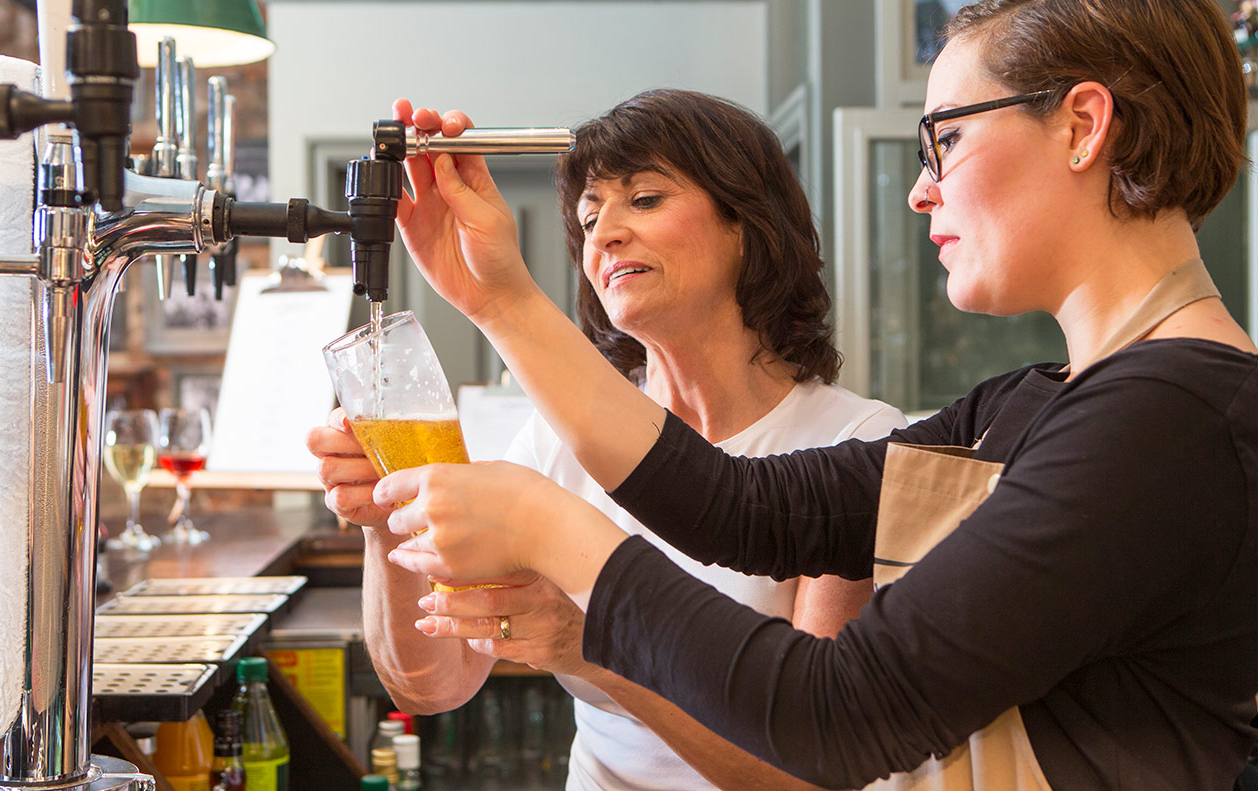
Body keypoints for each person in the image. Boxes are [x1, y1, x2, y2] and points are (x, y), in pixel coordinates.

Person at [369, 1, 1258, 789]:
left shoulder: (1167, 419)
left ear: (1081, 125)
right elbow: (737, 505)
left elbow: (836, 716)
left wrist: (550, 529)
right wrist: (498, 299)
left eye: (944, 139)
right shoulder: (1039, 402)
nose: (919, 189)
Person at [308, 89, 906, 791]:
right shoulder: (558, 439)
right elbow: (433, 684)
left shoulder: (854, 442)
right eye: (590, 217)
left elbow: (810, 770)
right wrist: (387, 522)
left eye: (645, 198)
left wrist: (591, 648)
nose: (605, 233)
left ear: (748, 221)